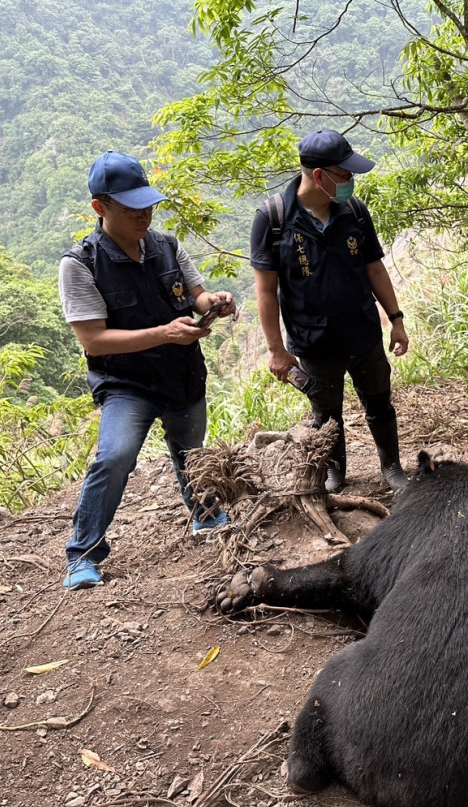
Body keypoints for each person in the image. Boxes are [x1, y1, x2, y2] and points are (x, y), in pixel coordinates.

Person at [59, 151, 238, 589]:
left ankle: (206, 515)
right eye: (130, 208)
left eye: (148, 205)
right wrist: (162, 333)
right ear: (100, 207)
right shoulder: (80, 264)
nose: (144, 215)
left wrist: (213, 302)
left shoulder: (166, 245)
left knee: (190, 450)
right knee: (116, 455)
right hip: (126, 383)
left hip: (181, 374)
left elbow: (194, 294)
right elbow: (93, 340)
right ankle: (83, 554)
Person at [251, 129, 409, 492]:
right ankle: (336, 471)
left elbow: (374, 268)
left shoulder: (354, 211)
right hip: (313, 340)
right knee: (326, 416)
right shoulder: (273, 219)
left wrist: (396, 320)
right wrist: (276, 349)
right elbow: (266, 290)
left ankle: (391, 467)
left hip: (363, 332)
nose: (351, 182)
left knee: (379, 402)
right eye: (345, 175)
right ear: (320, 176)